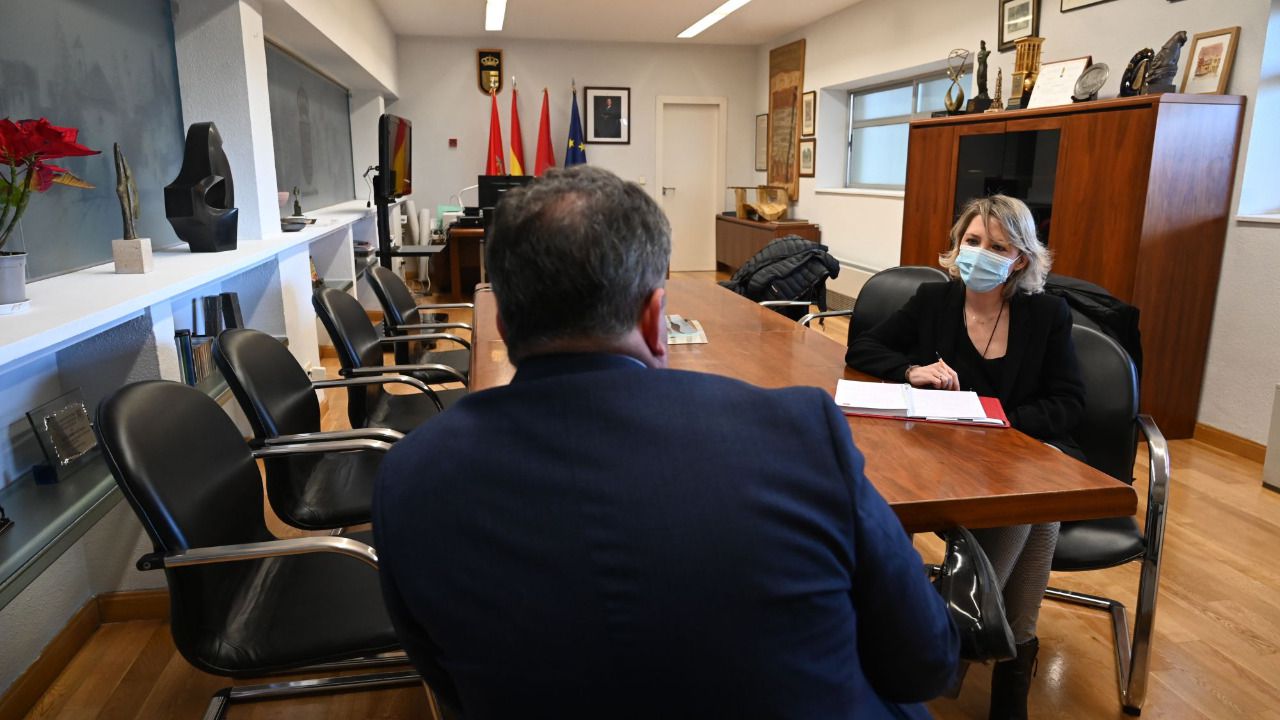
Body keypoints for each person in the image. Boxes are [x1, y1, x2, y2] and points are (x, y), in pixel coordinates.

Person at [375, 166, 959, 719]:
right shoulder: (799, 433)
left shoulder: (411, 477)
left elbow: (448, 686)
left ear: (502, 324)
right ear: (657, 319)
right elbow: (926, 661)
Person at [846, 194, 1084, 720]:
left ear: (1019, 259)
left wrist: (999, 419)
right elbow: (862, 349)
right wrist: (912, 371)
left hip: (1016, 450)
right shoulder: (934, 301)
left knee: (1033, 504)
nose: (979, 253)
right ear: (957, 246)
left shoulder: (1045, 313)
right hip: (946, 458)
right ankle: (1006, 675)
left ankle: (949, 643)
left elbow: (1069, 403)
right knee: (1036, 511)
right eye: (972, 241)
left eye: (997, 246)